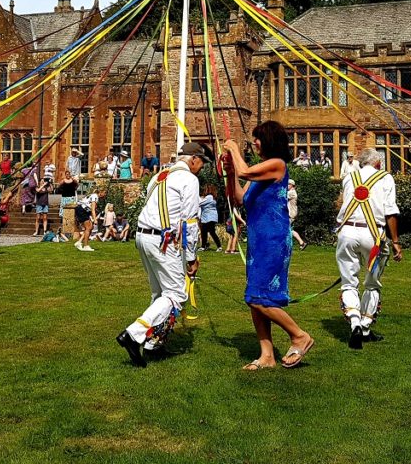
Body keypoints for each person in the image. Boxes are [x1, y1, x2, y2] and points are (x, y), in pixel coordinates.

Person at [223, 123, 314, 371]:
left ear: (270, 140)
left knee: (258, 297)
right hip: (258, 238)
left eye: (258, 139)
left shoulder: (277, 165)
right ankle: (267, 355)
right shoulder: (259, 172)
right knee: (255, 295)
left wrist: (232, 149)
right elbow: (239, 199)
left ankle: (299, 335)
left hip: (274, 239)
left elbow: (245, 172)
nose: (255, 143)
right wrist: (230, 171)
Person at [116, 141, 209, 367]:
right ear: (194, 160)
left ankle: (153, 343)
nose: (202, 168)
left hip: (142, 236)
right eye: (202, 163)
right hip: (162, 240)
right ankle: (134, 334)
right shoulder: (189, 179)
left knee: (159, 293)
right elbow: (189, 222)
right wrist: (191, 257)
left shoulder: (161, 174)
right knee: (176, 294)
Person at [335, 148, 403, 348]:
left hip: (347, 232)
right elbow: (390, 211)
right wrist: (396, 241)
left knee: (349, 282)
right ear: (378, 164)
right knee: (372, 283)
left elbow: (343, 204)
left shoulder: (349, 177)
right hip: (373, 235)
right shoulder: (385, 178)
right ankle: (364, 327)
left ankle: (355, 323)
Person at [56, 169, 78, 236]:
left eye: (69, 174)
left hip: (71, 197)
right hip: (65, 197)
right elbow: (59, 187)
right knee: (64, 212)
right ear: (65, 175)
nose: (68, 175)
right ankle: (65, 225)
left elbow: (77, 186)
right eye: (67, 174)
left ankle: (71, 225)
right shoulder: (63, 181)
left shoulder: (73, 181)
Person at [199, 187, 222, 251]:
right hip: (212, 217)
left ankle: (204, 246)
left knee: (204, 232)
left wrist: (199, 198)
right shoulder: (212, 198)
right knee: (211, 232)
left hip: (208, 217)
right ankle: (217, 246)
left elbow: (200, 203)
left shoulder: (209, 197)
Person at [288, 178, 306, 251]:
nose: (287, 185)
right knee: (289, 229)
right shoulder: (290, 192)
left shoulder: (291, 193)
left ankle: (300, 243)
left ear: (292, 185)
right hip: (291, 213)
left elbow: (280, 196)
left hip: (291, 214)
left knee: (285, 229)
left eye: (288, 184)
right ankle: (302, 243)